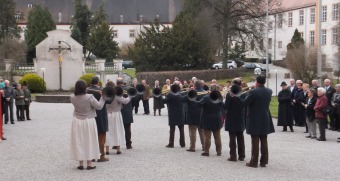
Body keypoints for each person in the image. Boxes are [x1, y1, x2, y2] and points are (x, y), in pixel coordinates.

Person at [239, 75, 274, 168]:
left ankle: (254, 162)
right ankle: (263, 161)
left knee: (255, 141)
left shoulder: (253, 92)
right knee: (264, 140)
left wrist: (238, 95)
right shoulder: (269, 91)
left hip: (254, 118)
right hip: (265, 118)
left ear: (257, 82)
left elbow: (244, 103)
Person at [70, 80, 105, 170]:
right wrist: (103, 97)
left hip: (77, 120)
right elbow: (99, 106)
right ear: (85, 87)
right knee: (90, 140)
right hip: (89, 120)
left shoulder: (72, 97)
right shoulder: (90, 97)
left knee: (79, 141)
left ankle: (80, 162)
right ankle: (90, 163)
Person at [86, 76, 112, 162]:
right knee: (101, 136)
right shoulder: (102, 90)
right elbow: (109, 101)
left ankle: (92, 156)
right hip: (101, 115)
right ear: (98, 82)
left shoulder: (87, 90)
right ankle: (101, 156)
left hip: (90, 115)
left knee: (92, 136)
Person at [105, 81, 130, 155]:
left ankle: (107, 149)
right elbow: (125, 101)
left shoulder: (104, 95)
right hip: (116, 114)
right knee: (117, 130)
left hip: (108, 114)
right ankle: (118, 149)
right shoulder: (116, 95)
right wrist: (129, 96)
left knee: (108, 131)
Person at [224, 85, 245, 161]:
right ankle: (242, 155)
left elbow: (226, 106)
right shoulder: (243, 93)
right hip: (240, 117)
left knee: (232, 137)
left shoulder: (229, 95)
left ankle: (233, 155)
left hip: (231, 117)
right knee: (240, 137)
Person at [199, 90, 223, 157]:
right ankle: (219, 151)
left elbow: (199, 104)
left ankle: (206, 151)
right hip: (217, 119)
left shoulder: (206, 98)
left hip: (207, 119)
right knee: (217, 137)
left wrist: (206, 96)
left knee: (207, 137)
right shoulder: (220, 98)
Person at [163, 84, 186, 148]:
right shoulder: (181, 94)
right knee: (181, 129)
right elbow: (185, 99)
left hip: (172, 113)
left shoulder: (170, 95)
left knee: (172, 129)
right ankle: (182, 143)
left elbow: (164, 101)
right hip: (180, 113)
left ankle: (171, 143)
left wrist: (162, 96)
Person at [185, 80, 205, 152]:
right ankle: (204, 146)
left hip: (191, 114)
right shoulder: (204, 93)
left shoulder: (190, 93)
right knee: (202, 131)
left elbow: (183, 99)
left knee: (192, 131)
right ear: (201, 85)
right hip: (201, 114)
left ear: (194, 86)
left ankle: (192, 147)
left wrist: (187, 93)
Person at [119, 78, 134, 149]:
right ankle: (128, 144)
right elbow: (135, 98)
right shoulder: (129, 89)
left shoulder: (114, 89)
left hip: (118, 112)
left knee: (117, 129)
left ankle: (116, 145)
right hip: (127, 111)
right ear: (123, 82)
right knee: (127, 129)